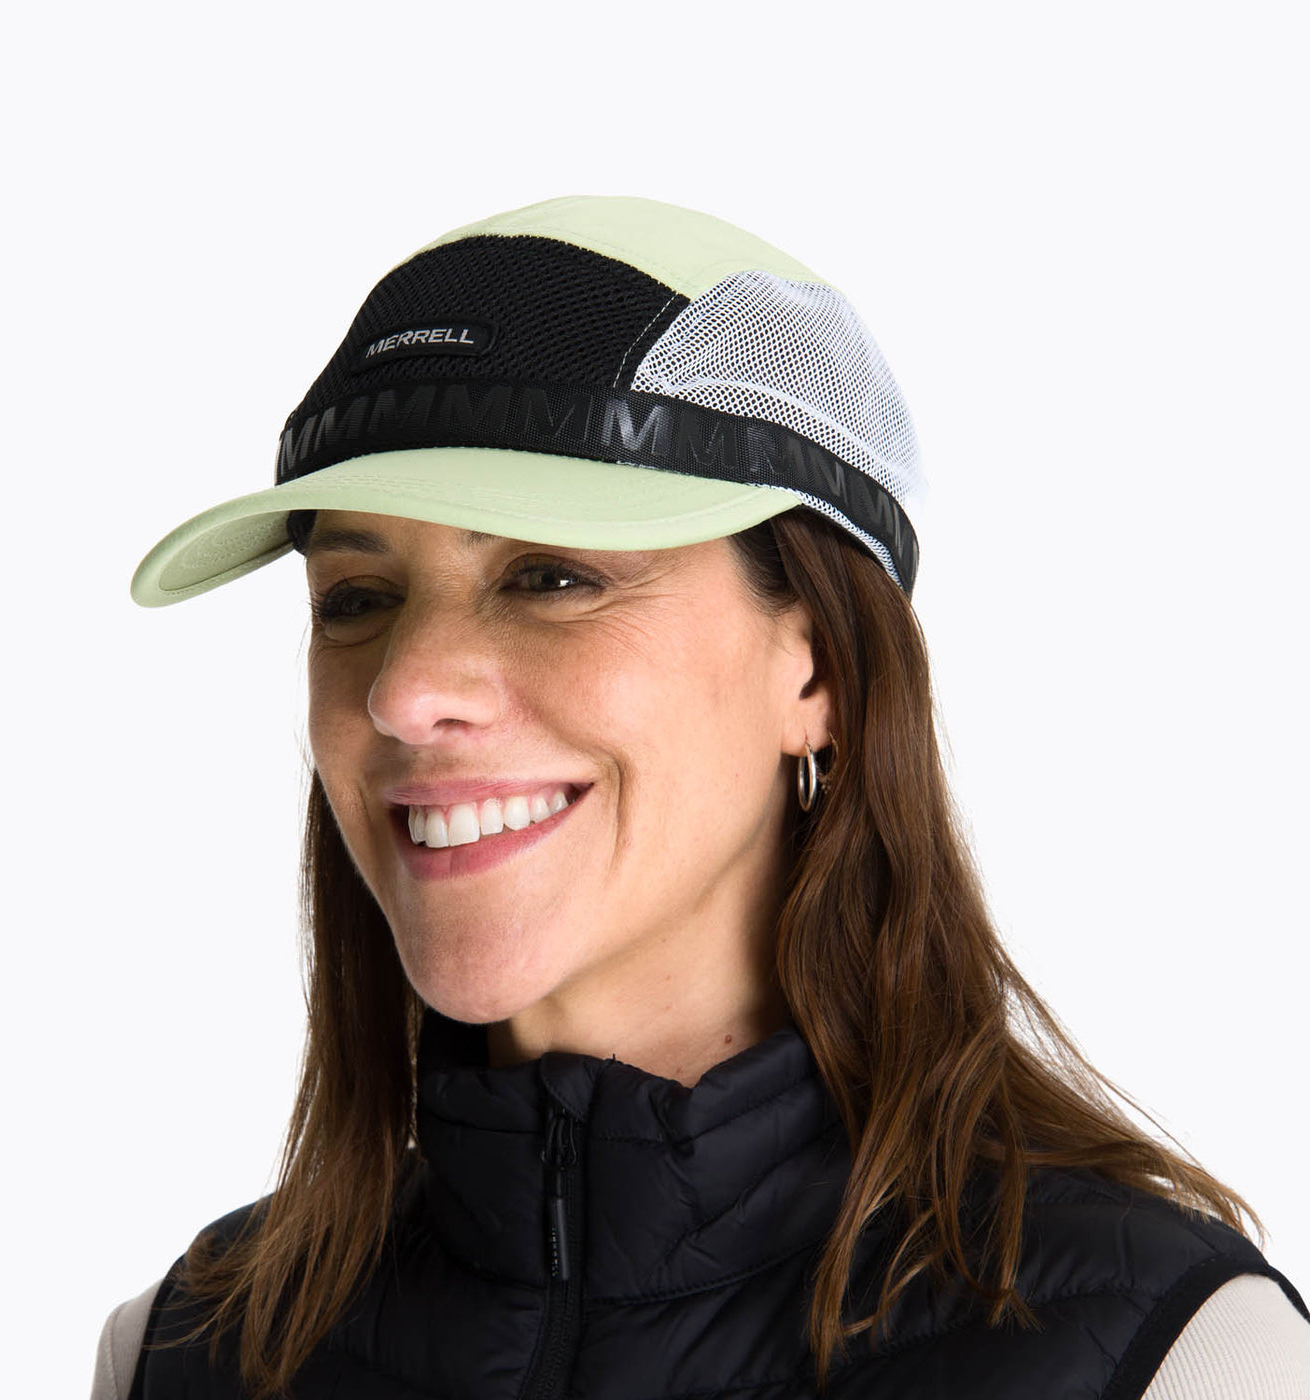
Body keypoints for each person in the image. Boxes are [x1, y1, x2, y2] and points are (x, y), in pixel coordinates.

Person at [95, 195, 1310, 1400]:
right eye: (356, 599)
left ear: (817, 670)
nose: (404, 692)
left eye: (549, 576)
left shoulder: (1180, 1361)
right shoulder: (183, 1352)